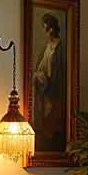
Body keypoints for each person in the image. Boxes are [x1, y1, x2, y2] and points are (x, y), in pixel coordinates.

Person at [33, 12, 66, 151]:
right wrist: (40, 73)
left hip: (55, 81)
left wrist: (51, 80)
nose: (48, 32)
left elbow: (58, 66)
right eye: (46, 29)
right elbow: (43, 63)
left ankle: (50, 129)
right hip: (47, 79)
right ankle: (42, 127)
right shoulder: (48, 46)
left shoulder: (59, 45)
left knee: (52, 105)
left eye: (49, 28)